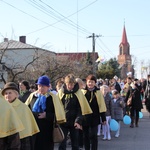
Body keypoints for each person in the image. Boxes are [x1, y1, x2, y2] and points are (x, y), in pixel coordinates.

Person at [25, 75, 66, 150]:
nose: (41, 88)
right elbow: (26, 110)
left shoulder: (53, 98)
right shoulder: (33, 96)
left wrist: (46, 115)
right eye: (39, 86)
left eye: (43, 86)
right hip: (34, 129)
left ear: (48, 87)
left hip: (47, 130)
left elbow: (58, 114)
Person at [57, 74, 92, 150]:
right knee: (62, 144)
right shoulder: (60, 93)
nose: (70, 86)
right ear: (65, 84)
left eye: (72, 84)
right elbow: (57, 108)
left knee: (75, 144)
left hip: (74, 122)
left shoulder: (78, 93)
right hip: (63, 122)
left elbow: (81, 109)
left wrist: (78, 121)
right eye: (68, 84)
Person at [1, 82, 40, 150]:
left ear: (16, 94)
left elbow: (27, 125)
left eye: (10, 93)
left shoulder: (23, 107)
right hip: (6, 139)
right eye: (6, 93)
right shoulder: (3, 107)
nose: (7, 95)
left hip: (22, 139)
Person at [81, 74, 106, 150]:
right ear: (86, 82)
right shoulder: (82, 92)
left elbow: (101, 106)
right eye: (89, 82)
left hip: (95, 117)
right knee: (86, 136)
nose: (90, 84)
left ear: (95, 83)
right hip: (85, 117)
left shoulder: (98, 93)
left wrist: (103, 118)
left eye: (92, 82)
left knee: (93, 135)